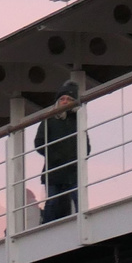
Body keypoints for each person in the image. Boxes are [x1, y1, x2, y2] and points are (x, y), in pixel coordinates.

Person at [36, 81, 83, 223]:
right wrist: (54, 156)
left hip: (73, 168)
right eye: (62, 99)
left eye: (69, 99)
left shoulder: (78, 120)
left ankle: (81, 221)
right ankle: (46, 227)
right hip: (53, 169)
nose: (65, 101)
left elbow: (85, 143)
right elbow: (39, 143)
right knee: (52, 202)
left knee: (78, 199)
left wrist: (79, 156)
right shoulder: (49, 120)